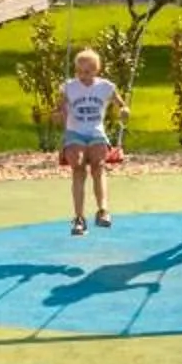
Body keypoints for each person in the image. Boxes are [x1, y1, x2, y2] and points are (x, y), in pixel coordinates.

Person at [60, 47, 120, 235]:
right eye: (79, 71)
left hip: (96, 134)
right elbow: (60, 107)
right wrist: (58, 113)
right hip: (74, 133)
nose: (82, 76)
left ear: (96, 70)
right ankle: (79, 218)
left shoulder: (106, 87)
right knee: (78, 167)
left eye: (86, 72)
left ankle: (102, 210)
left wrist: (124, 111)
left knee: (98, 165)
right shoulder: (69, 87)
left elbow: (121, 104)